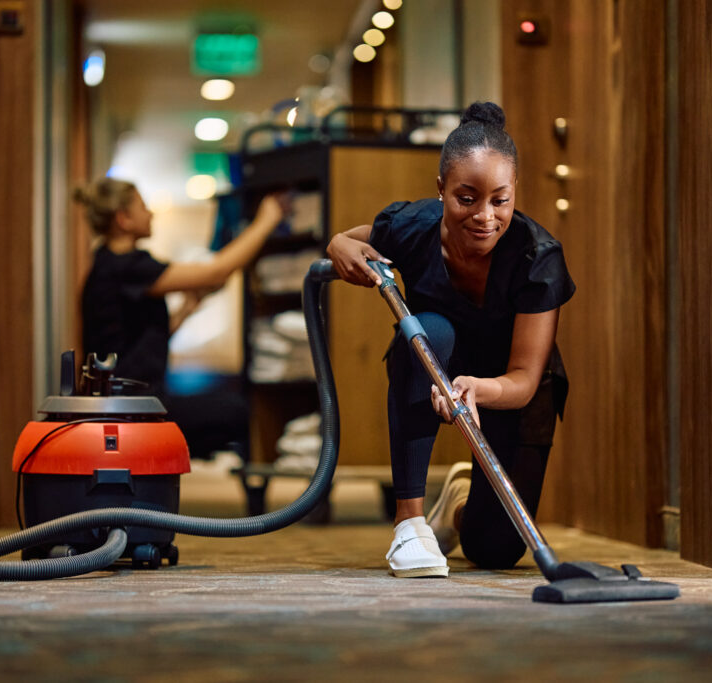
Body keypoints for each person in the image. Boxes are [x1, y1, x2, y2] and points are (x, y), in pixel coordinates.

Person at [326, 102, 574, 578]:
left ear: (514, 190)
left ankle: (459, 503)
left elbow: (524, 378)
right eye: (467, 198)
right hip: (435, 354)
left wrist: (479, 388)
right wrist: (338, 242)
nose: (484, 217)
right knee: (427, 330)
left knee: (494, 549)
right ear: (441, 189)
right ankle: (410, 524)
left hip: (510, 389)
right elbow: (353, 241)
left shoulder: (537, 258)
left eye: (500, 200)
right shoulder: (411, 227)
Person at [75, 177, 287, 458]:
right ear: (123, 218)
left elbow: (142, 337)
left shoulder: (106, 265)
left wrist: (189, 306)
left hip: (127, 402)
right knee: (236, 412)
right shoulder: (127, 266)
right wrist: (267, 220)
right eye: (142, 206)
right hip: (132, 407)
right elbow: (215, 271)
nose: (150, 213)